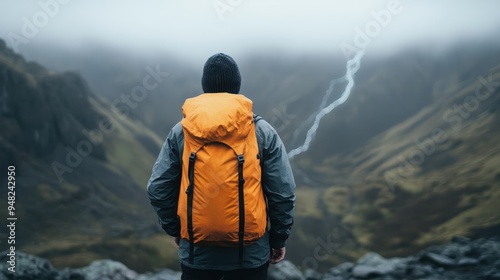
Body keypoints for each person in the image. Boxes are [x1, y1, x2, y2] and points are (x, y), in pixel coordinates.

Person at [147, 53, 296, 280]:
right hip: (250, 257)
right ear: (237, 86)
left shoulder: (181, 131)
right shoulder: (262, 131)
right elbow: (282, 192)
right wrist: (278, 240)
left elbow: (158, 188)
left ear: (205, 86)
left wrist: (177, 230)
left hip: (197, 254)